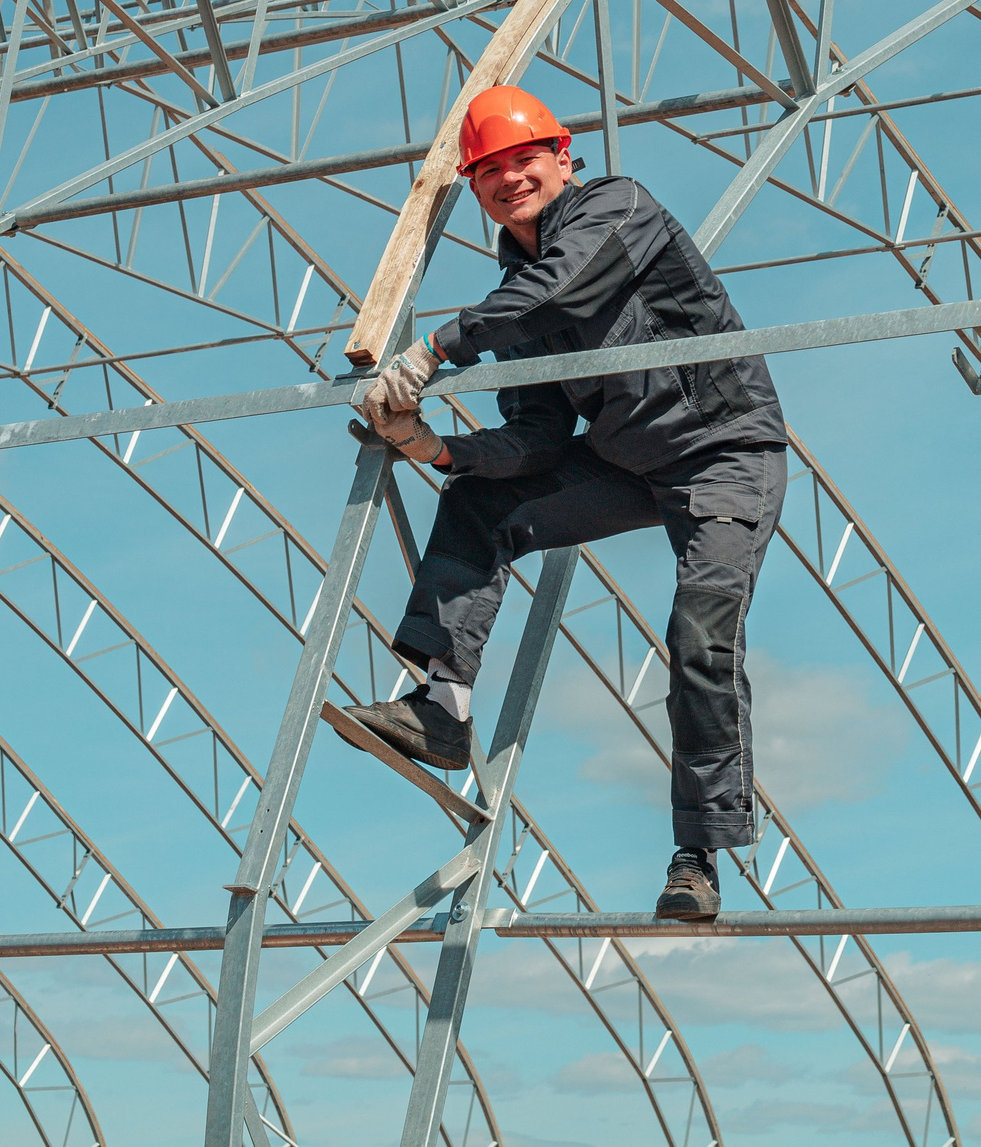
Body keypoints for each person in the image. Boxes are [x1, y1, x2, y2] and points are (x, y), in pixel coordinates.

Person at [335, 84, 788, 923]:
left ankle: (700, 852)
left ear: (562, 157)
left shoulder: (618, 210)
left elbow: (564, 288)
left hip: (726, 453)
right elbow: (537, 439)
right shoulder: (518, 294)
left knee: (701, 631)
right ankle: (442, 709)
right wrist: (438, 450)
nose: (510, 179)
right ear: (474, 189)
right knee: (482, 499)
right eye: (489, 170)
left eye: (524, 161)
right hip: (628, 462)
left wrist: (436, 349)